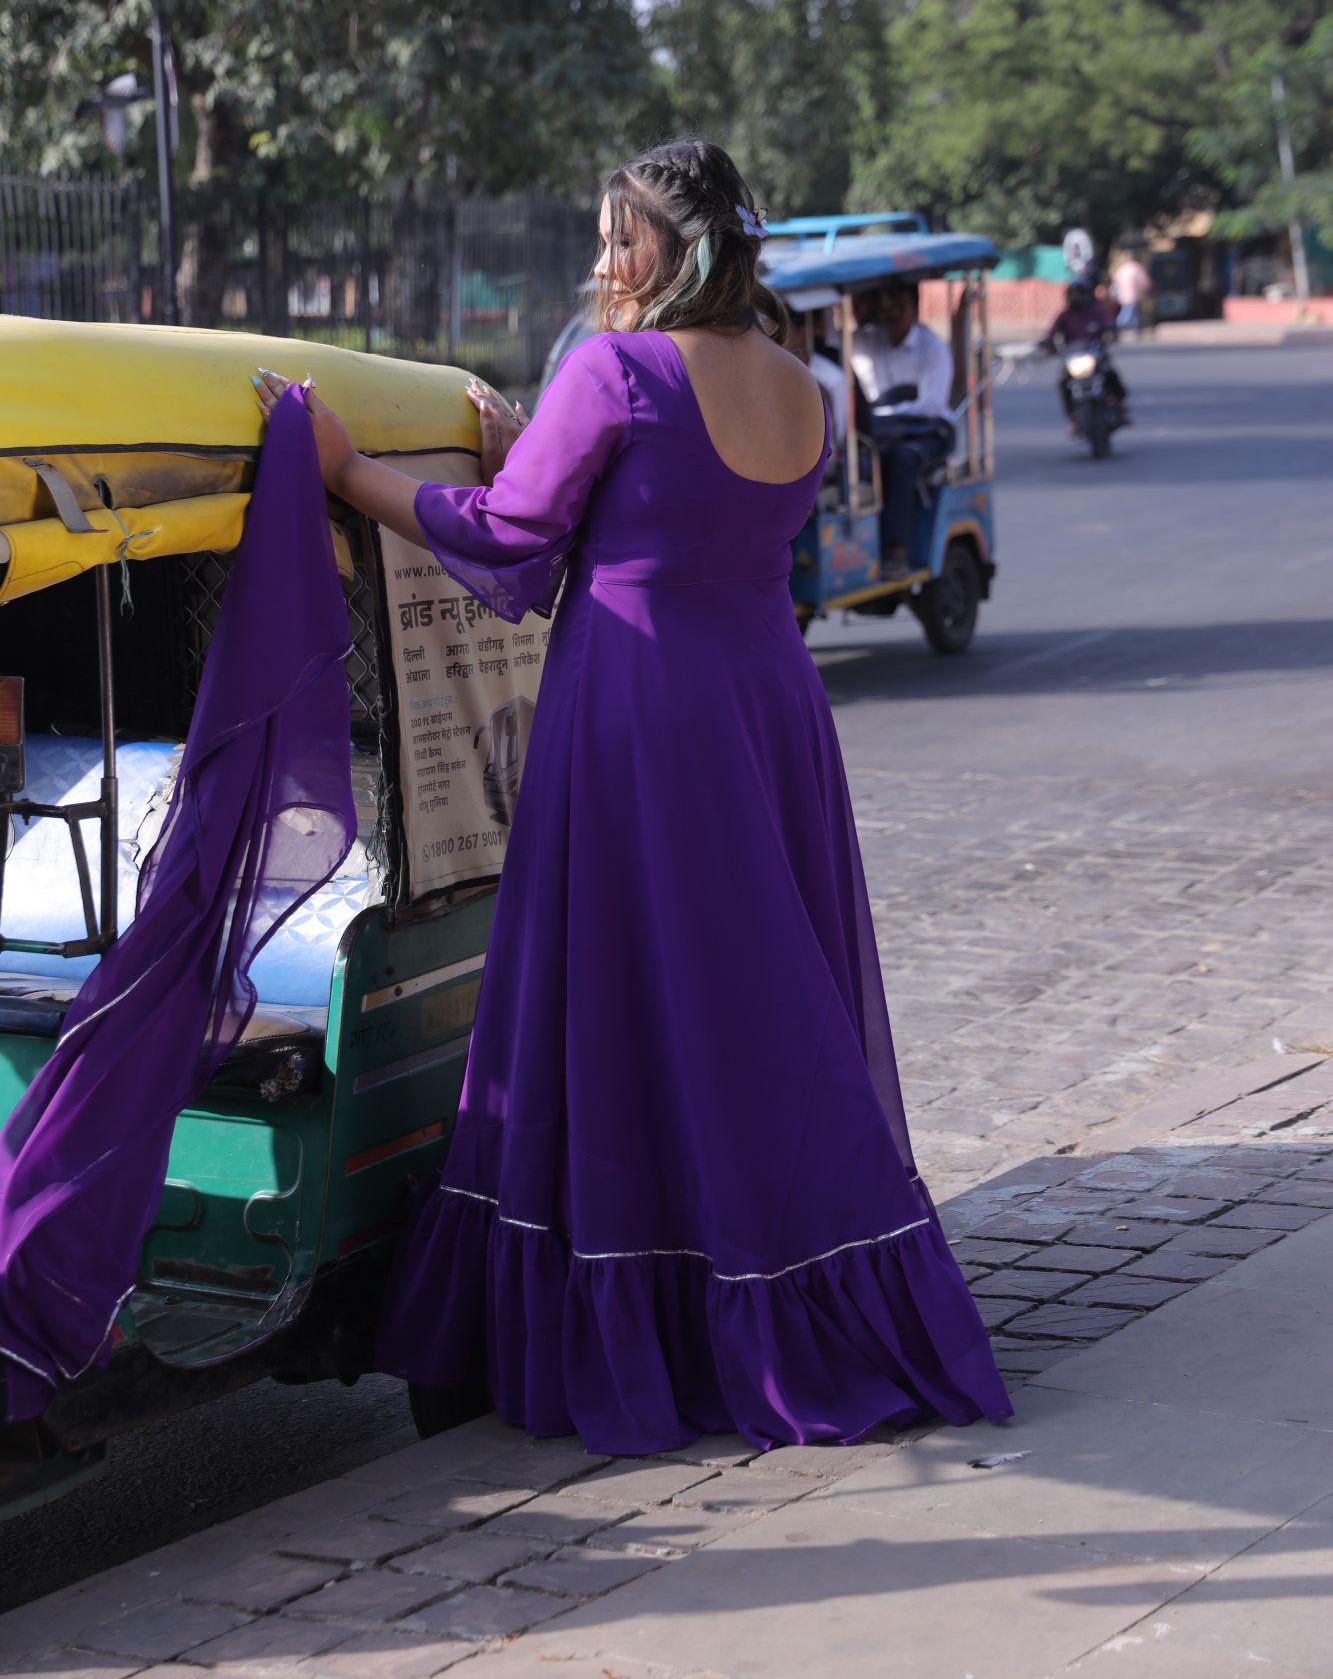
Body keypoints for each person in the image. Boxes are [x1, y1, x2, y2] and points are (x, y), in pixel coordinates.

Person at [254, 138, 1010, 1455]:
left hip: (641, 712)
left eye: (620, 241)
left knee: (631, 995)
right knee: (758, 990)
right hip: (765, 706)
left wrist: (341, 466)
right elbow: (644, 512)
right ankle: (804, 1280)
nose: (603, 265)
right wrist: (531, 447)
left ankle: (656, 1304)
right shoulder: (806, 382)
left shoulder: (612, 369)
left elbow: (505, 541)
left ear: (670, 250)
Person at [852, 281, 956, 580]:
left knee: (901, 460)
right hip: (884, 428)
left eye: (900, 307)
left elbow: (932, 405)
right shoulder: (869, 341)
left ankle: (897, 549)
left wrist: (883, 413)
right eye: (887, 307)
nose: (893, 314)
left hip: (928, 430)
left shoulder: (932, 347)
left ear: (914, 308)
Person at [1040, 279, 1130, 429]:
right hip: (1073, 358)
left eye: (1079, 294)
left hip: (1095, 356)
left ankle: (1119, 407)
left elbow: (1109, 324)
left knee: (1111, 376)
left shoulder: (1096, 311)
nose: (1076, 297)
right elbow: (1052, 334)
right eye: (1073, 294)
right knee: (1063, 384)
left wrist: (1111, 332)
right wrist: (1047, 346)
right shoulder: (1065, 315)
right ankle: (1073, 419)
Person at [1111, 253, 1151, 337]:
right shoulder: (1137, 268)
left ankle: (1138, 330)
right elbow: (1144, 282)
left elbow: (1116, 280)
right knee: (1127, 313)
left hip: (1122, 294)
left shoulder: (1123, 268)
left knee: (1134, 313)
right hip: (1133, 294)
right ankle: (1117, 327)